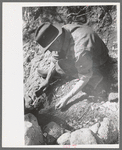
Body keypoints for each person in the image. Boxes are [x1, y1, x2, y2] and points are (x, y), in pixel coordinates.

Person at [34, 22, 109, 110]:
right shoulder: (61, 33)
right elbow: (55, 57)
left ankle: (96, 78)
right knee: (59, 64)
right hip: (86, 54)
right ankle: (55, 73)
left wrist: (66, 98)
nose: (50, 51)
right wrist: (47, 80)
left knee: (62, 66)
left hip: (99, 60)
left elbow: (84, 77)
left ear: (57, 40)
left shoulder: (79, 50)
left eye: (50, 48)